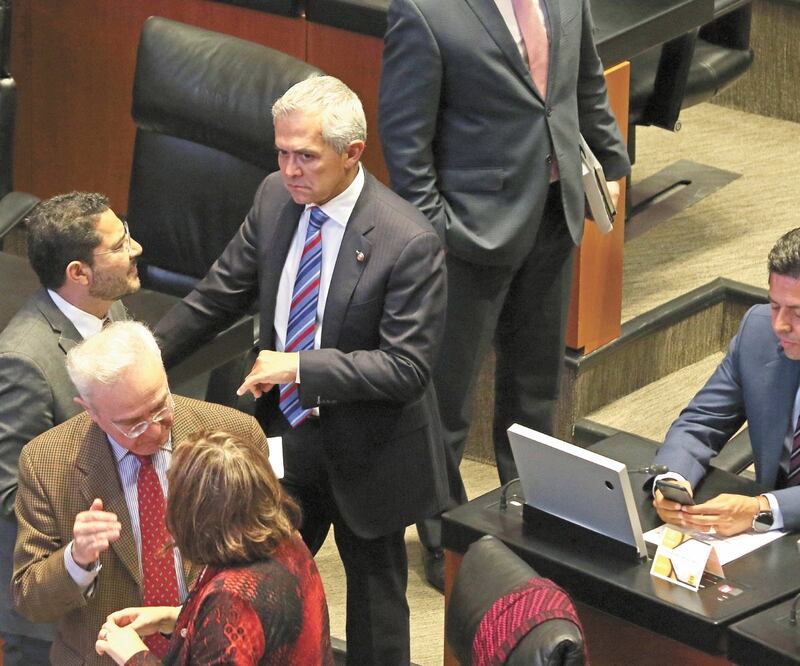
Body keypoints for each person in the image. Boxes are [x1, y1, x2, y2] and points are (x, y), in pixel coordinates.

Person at [155, 75, 449, 665]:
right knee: (259, 583)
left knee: (376, 614)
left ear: (352, 153)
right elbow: (217, 296)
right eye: (282, 152)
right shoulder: (273, 199)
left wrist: (299, 367)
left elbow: (406, 367)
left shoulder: (409, 240)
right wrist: (146, 360)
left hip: (373, 449)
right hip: (287, 439)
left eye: (305, 156)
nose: (290, 169)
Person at [378, 0, 632, 589]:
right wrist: (435, 234)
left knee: (536, 389)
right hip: (466, 237)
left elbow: (583, 81)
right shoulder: (424, 12)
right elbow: (405, 138)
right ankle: (446, 539)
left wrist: (612, 164)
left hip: (552, 214)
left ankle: (535, 525)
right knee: (446, 403)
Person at [12, 322, 270, 666]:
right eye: (133, 423)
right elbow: (31, 599)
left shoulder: (235, 434)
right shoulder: (46, 462)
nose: (154, 431)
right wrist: (77, 558)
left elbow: (272, 560)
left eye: (160, 408)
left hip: (216, 652)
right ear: (90, 410)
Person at [0, 191, 142, 665]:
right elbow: (7, 492)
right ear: (78, 273)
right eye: (120, 245)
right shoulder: (24, 361)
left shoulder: (109, 309)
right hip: (50, 605)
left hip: (108, 580)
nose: (136, 249)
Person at [94, 430, 333, 665]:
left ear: (195, 515)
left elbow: (236, 617)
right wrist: (172, 617)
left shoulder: (231, 596)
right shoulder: (287, 540)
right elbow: (266, 622)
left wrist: (133, 656)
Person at [652, 227, 800, 536]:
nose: (780, 325)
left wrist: (762, 508)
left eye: (798, 313)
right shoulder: (757, 333)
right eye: (775, 305)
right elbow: (700, 422)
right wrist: (672, 480)